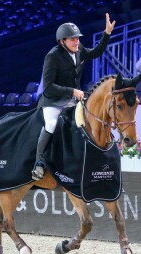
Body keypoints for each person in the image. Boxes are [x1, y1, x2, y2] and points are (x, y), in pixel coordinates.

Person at [31, 13, 116, 180]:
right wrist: (72, 91)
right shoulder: (52, 56)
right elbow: (48, 87)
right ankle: (39, 163)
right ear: (62, 42)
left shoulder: (79, 50)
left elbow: (97, 52)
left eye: (77, 38)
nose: (77, 41)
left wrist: (106, 34)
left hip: (72, 100)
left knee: (88, 121)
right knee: (52, 124)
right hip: (52, 101)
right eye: (72, 39)